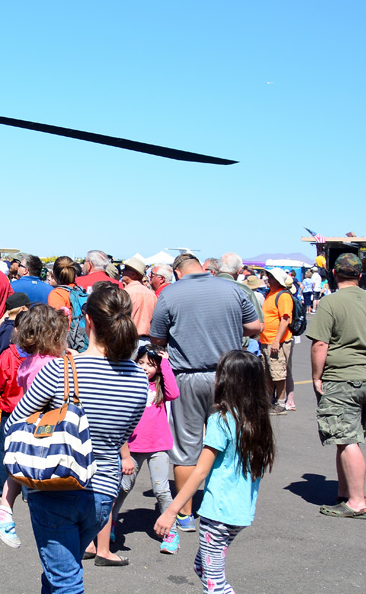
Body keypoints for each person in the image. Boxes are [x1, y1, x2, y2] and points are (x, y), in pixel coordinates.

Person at [10, 283, 147, 588]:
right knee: (59, 571)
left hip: (55, 485)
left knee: (66, 579)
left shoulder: (58, 370)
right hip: (104, 491)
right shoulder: (139, 377)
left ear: (87, 321)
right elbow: (126, 432)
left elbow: (15, 424)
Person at [149, 253, 261, 532]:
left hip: (187, 375)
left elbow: (157, 336)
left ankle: (185, 513)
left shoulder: (170, 294)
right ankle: (223, 505)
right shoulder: (233, 289)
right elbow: (255, 327)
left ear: (177, 272)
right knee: (229, 439)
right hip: (227, 375)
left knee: (186, 447)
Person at [154, 351, 275, 594]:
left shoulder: (222, 421)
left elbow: (199, 472)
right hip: (240, 512)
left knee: (214, 585)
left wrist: (171, 511)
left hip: (218, 512)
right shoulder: (257, 420)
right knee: (203, 566)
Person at [306, 252, 366, 520]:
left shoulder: (331, 303)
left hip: (343, 378)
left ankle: (356, 502)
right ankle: (344, 492)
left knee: (346, 438)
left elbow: (320, 344)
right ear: (360, 276)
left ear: (333, 274)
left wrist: (317, 377)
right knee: (347, 438)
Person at [0, 305, 69, 549]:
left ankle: (5, 510)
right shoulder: (51, 364)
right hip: (42, 424)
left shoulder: (29, 361)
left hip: (25, 422)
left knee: (17, 467)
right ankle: (5, 510)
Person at [113, 344, 180, 555]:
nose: (144, 368)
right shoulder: (131, 384)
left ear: (157, 368)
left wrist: (166, 364)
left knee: (161, 490)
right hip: (133, 447)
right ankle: (110, 524)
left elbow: (174, 393)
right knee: (122, 487)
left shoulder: (159, 386)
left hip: (158, 446)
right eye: (140, 363)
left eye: (150, 365)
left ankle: (171, 532)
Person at [260, 268, 295, 415]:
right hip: (266, 340)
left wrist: (276, 341)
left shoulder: (283, 296)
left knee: (279, 373)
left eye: (271, 277)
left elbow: (285, 319)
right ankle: (270, 400)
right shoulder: (270, 294)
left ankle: (280, 403)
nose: (267, 279)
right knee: (268, 373)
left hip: (277, 341)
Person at [119, 254, 157, 338]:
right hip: (148, 340)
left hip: (129, 339)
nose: (122, 272)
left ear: (133, 274)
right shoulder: (151, 294)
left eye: (125, 269)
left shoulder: (126, 293)